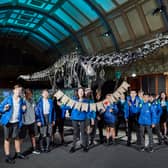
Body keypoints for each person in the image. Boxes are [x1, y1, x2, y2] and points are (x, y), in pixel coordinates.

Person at [0, 85, 26, 164]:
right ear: (14, 90)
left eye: (20, 90)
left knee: (17, 138)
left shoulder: (21, 100)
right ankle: (8, 156)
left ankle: (18, 153)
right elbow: (0, 108)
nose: (19, 91)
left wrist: (24, 110)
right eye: (18, 90)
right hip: (8, 122)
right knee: (7, 139)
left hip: (16, 122)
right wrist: (5, 108)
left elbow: (22, 111)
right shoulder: (8, 98)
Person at [19, 88, 40, 154]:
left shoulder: (33, 101)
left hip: (32, 122)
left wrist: (37, 119)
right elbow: (19, 112)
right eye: (28, 94)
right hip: (24, 122)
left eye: (30, 94)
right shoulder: (22, 101)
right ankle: (18, 152)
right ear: (25, 94)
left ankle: (34, 149)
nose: (30, 95)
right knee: (22, 137)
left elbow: (36, 110)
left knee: (33, 136)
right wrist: (22, 109)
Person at [69, 87, 89, 153]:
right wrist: (61, 106)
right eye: (79, 91)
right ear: (77, 92)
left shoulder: (86, 100)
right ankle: (73, 147)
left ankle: (84, 145)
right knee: (75, 132)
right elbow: (68, 106)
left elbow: (88, 110)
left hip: (83, 118)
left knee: (83, 132)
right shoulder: (73, 99)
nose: (81, 92)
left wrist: (90, 118)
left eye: (82, 91)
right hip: (74, 117)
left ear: (83, 92)